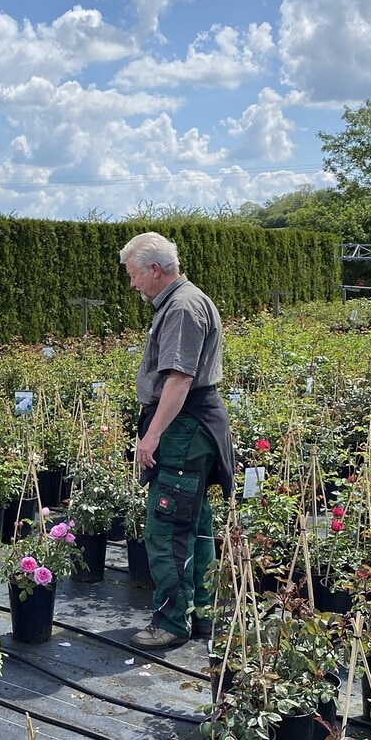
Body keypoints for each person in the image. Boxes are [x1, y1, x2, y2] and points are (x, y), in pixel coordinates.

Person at [120, 232, 235, 651]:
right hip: (193, 426)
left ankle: (172, 621)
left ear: (154, 269)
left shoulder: (182, 308)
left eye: (134, 274)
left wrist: (150, 438)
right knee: (196, 521)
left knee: (166, 527)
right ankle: (201, 614)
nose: (132, 283)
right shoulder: (182, 301)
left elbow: (179, 379)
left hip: (184, 428)